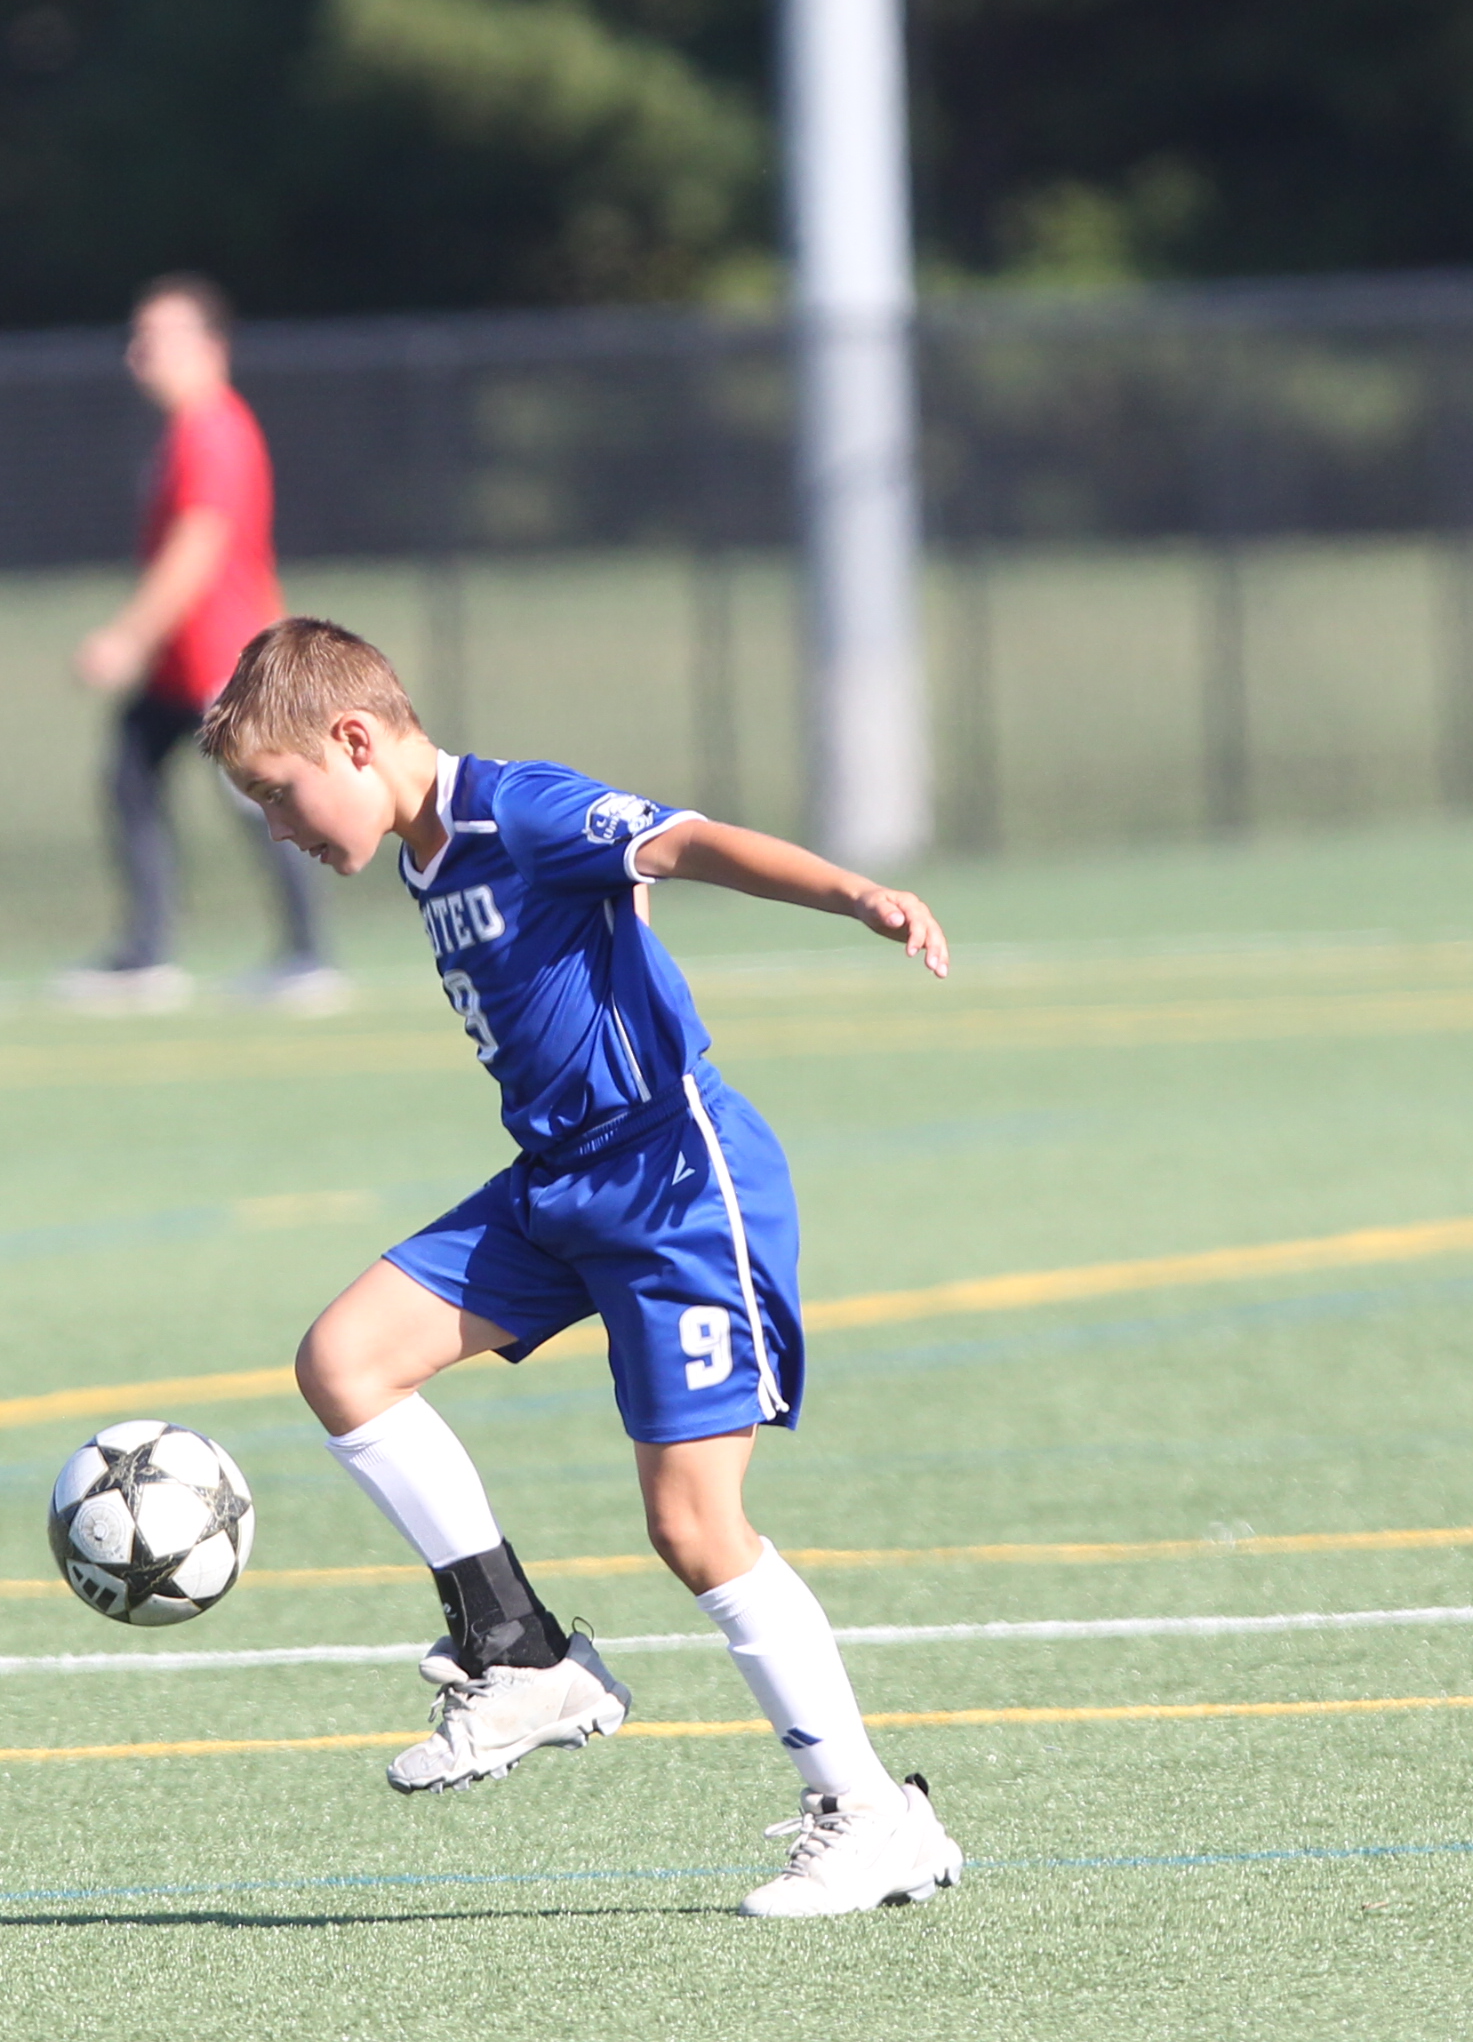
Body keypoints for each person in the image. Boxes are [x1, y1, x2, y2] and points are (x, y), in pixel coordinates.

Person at [202, 614, 965, 1920]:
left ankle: (872, 1817)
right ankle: (520, 1653)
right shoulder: (426, 856)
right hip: (557, 1188)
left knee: (694, 1529)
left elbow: (681, 840)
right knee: (345, 1361)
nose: (275, 827)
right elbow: (614, 907)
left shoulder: (517, 808)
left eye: (277, 793)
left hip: (673, 1185)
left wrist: (856, 894)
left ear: (355, 740)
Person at [64, 275, 341, 1011]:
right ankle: (148, 952)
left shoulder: (212, 429)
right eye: (137, 338)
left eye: (156, 338)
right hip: (178, 666)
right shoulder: (182, 432)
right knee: (131, 774)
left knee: (261, 797)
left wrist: (127, 637)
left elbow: (199, 546)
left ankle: (308, 957)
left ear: (211, 347)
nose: (139, 353)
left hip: (224, 656)